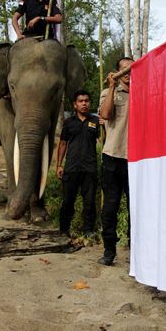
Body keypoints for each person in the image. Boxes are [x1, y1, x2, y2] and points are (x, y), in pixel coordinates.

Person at [97, 57, 133, 266]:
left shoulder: (143, 92)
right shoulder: (108, 93)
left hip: (136, 160)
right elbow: (105, 114)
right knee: (110, 207)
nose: (129, 73)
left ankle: (134, 249)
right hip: (113, 157)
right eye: (124, 70)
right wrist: (111, 87)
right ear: (118, 72)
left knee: (135, 208)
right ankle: (109, 250)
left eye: (132, 69)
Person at [55, 90, 100, 239]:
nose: (84, 103)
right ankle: (64, 230)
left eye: (86, 101)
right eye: (80, 101)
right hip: (71, 168)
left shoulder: (95, 121)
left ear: (90, 103)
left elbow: (102, 141)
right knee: (68, 201)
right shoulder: (68, 123)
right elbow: (62, 144)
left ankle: (88, 230)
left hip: (90, 168)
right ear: (75, 105)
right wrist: (59, 165)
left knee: (89, 202)